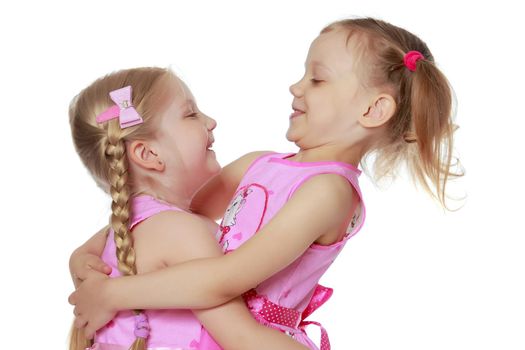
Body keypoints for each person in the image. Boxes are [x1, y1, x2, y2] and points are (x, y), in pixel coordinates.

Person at [70, 17, 462, 349]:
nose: (297, 87)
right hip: (211, 324)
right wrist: (83, 256)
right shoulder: (259, 164)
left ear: (373, 109)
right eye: (303, 75)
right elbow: (161, 219)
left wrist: (112, 292)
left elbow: (227, 279)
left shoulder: (328, 191)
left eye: (318, 79)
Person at [67, 67, 308, 350]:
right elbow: (242, 339)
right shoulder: (181, 232)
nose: (211, 122)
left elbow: (83, 255)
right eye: (190, 114)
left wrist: (76, 259)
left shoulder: (125, 230)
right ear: (149, 154)